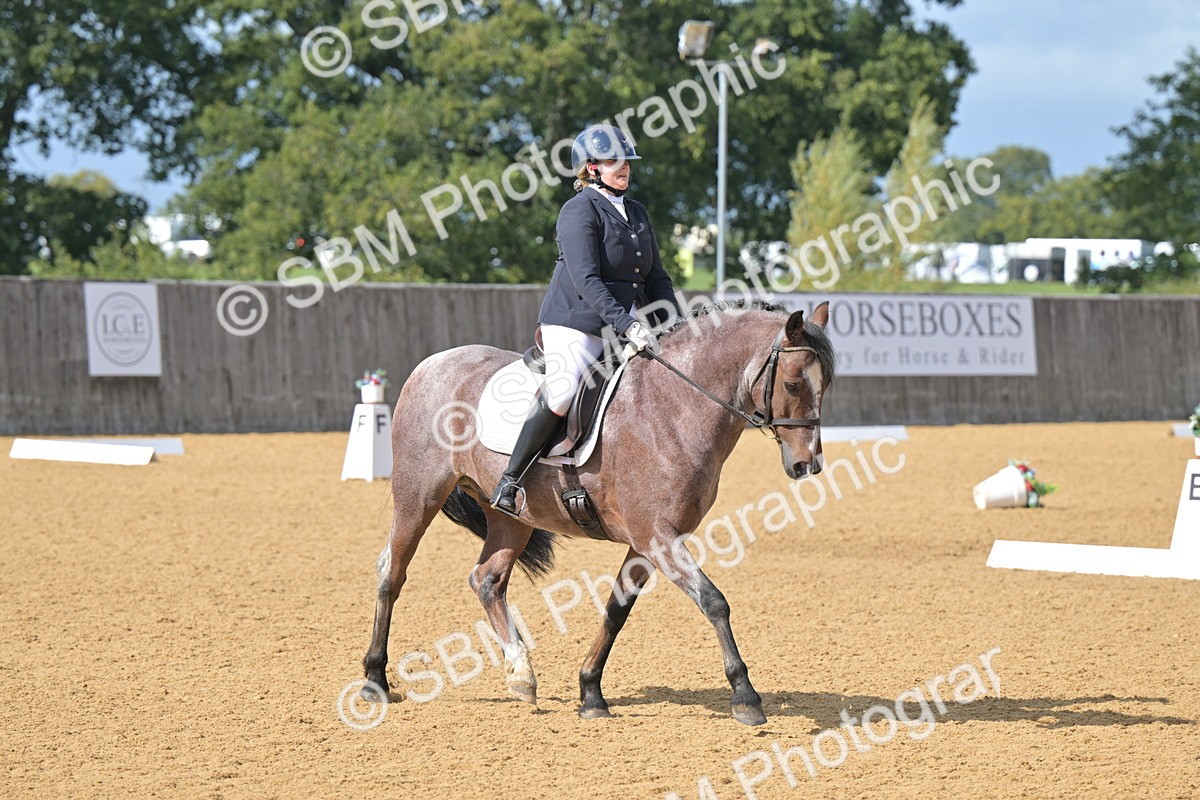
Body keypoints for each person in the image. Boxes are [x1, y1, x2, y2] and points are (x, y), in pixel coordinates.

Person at [489, 123, 682, 517]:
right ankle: (511, 479)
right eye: (614, 162)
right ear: (592, 168)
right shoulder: (578, 210)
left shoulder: (638, 212)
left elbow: (656, 277)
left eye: (626, 161)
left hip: (624, 317)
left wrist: (673, 322)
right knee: (563, 390)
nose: (623, 168)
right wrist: (627, 326)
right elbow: (587, 279)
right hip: (575, 319)